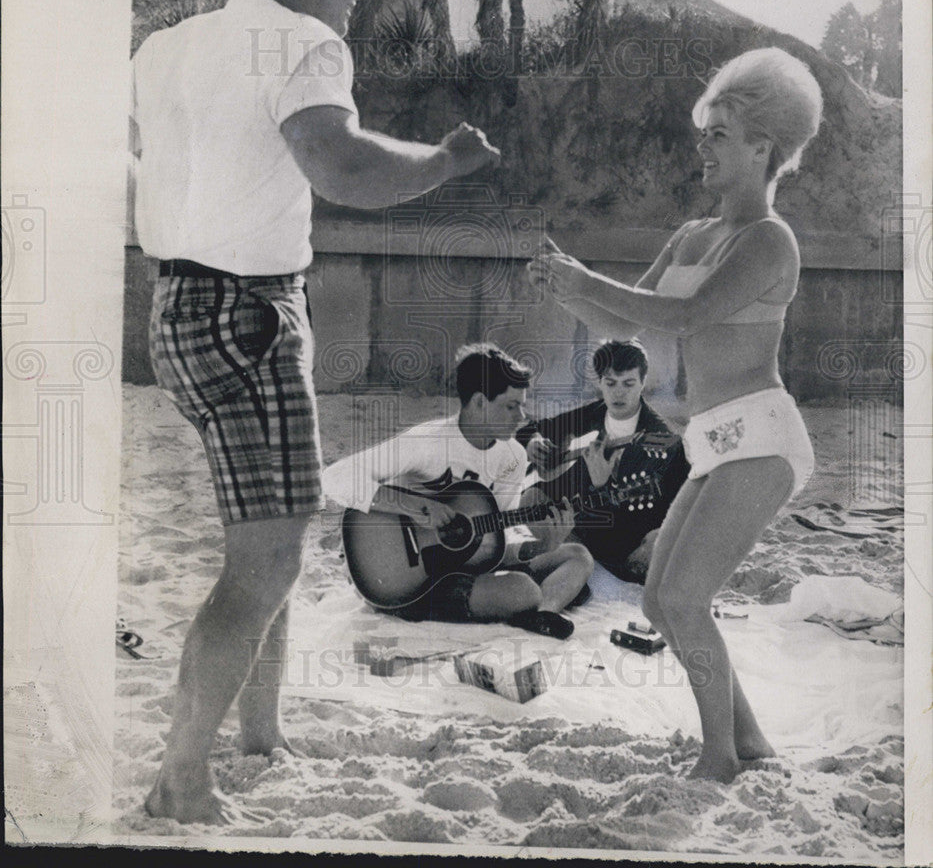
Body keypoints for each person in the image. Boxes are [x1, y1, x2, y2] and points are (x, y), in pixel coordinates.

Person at [130, 0, 499, 825]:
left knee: (272, 535)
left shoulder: (165, 47)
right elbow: (343, 168)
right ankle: (181, 780)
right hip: (247, 313)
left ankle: (259, 736)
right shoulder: (303, 43)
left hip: (174, 309)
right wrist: (445, 162)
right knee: (263, 561)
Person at [530, 47, 822, 783]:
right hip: (713, 441)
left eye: (718, 133)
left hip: (762, 438)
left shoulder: (767, 241)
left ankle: (718, 758)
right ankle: (748, 741)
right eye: (705, 130)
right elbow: (628, 329)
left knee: (685, 596)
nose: (703, 145)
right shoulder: (694, 234)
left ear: (762, 148)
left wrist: (586, 280)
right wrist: (564, 288)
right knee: (662, 601)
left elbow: (688, 316)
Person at [324, 344, 593, 638]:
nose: (522, 417)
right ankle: (427, 603)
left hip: (465, 563)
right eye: (511, 406)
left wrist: (538, 546)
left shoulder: (514, 457)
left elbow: (496, 538)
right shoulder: (429, 441)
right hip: (405, 574)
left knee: (577, 555)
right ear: (479, 402)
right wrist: (413, 505)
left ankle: (543, 615)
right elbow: (335, 477)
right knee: (523, 590)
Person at [516, 339, 689, 585]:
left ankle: (576, 572)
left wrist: (602, 486)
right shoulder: (592, 414)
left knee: (660, 544)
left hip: (629, 544)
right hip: (579, 533)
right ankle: (566, 567)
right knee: (531, 498)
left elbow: (644, 520)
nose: (618, 393)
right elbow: (529, 429)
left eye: (628, 384)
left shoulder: (662, 440)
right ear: (600, 383)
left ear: (642, 383)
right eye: (610, 384)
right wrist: (533, 441)